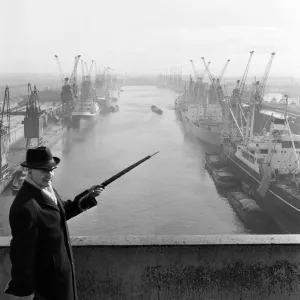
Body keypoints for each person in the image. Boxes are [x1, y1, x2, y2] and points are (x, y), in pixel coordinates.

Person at [4, 146, 104, 300]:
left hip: (61, 282)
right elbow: (22, 256)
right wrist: (25, 292)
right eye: (44, 170)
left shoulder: (47, 190)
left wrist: (87, 196)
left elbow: (60, 213)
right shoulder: (25, 207)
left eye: (52, 169)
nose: (49, 175)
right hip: (47, 290)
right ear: (29, 171)